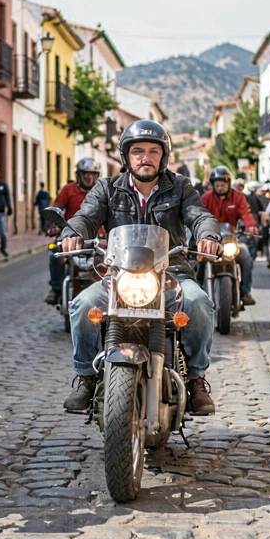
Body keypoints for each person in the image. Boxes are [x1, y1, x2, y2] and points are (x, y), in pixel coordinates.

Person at [57, 120, 220, 416]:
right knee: (82, 305)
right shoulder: (107, 188)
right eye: (138, 151)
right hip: (120, 277)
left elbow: (200, 216)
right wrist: (73, 232)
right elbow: (86, 216)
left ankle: (197, 379)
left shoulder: (181, 187)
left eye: (153, 151)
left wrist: (208, 234)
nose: (145, 158)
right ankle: (86, 378)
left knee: (199, 303)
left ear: (163, 156)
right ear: (126, 156)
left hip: (172, 275)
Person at [44, 158, 100, 305]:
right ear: (78, 175)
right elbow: (56, 207)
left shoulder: (101, 190)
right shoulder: (68, 189)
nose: (89, 177)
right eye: (85, 174)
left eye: (92, 174)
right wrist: (53, 223)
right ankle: (56, 289)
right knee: (54, 255)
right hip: (70, 237)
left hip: (98, 239)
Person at [200, 166, 258, 306]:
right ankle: (199, 291)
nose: (220, 187)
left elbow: (246, 212)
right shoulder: (206, 198)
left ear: (228, 183)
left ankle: (245, 292)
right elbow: (198, 213)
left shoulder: (237, 197)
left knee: (245, 256)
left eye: (223, 184)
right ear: (213, 185)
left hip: (230, 239)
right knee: (198, 260)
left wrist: (250, 225)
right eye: (217, 185)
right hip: (210, 240)